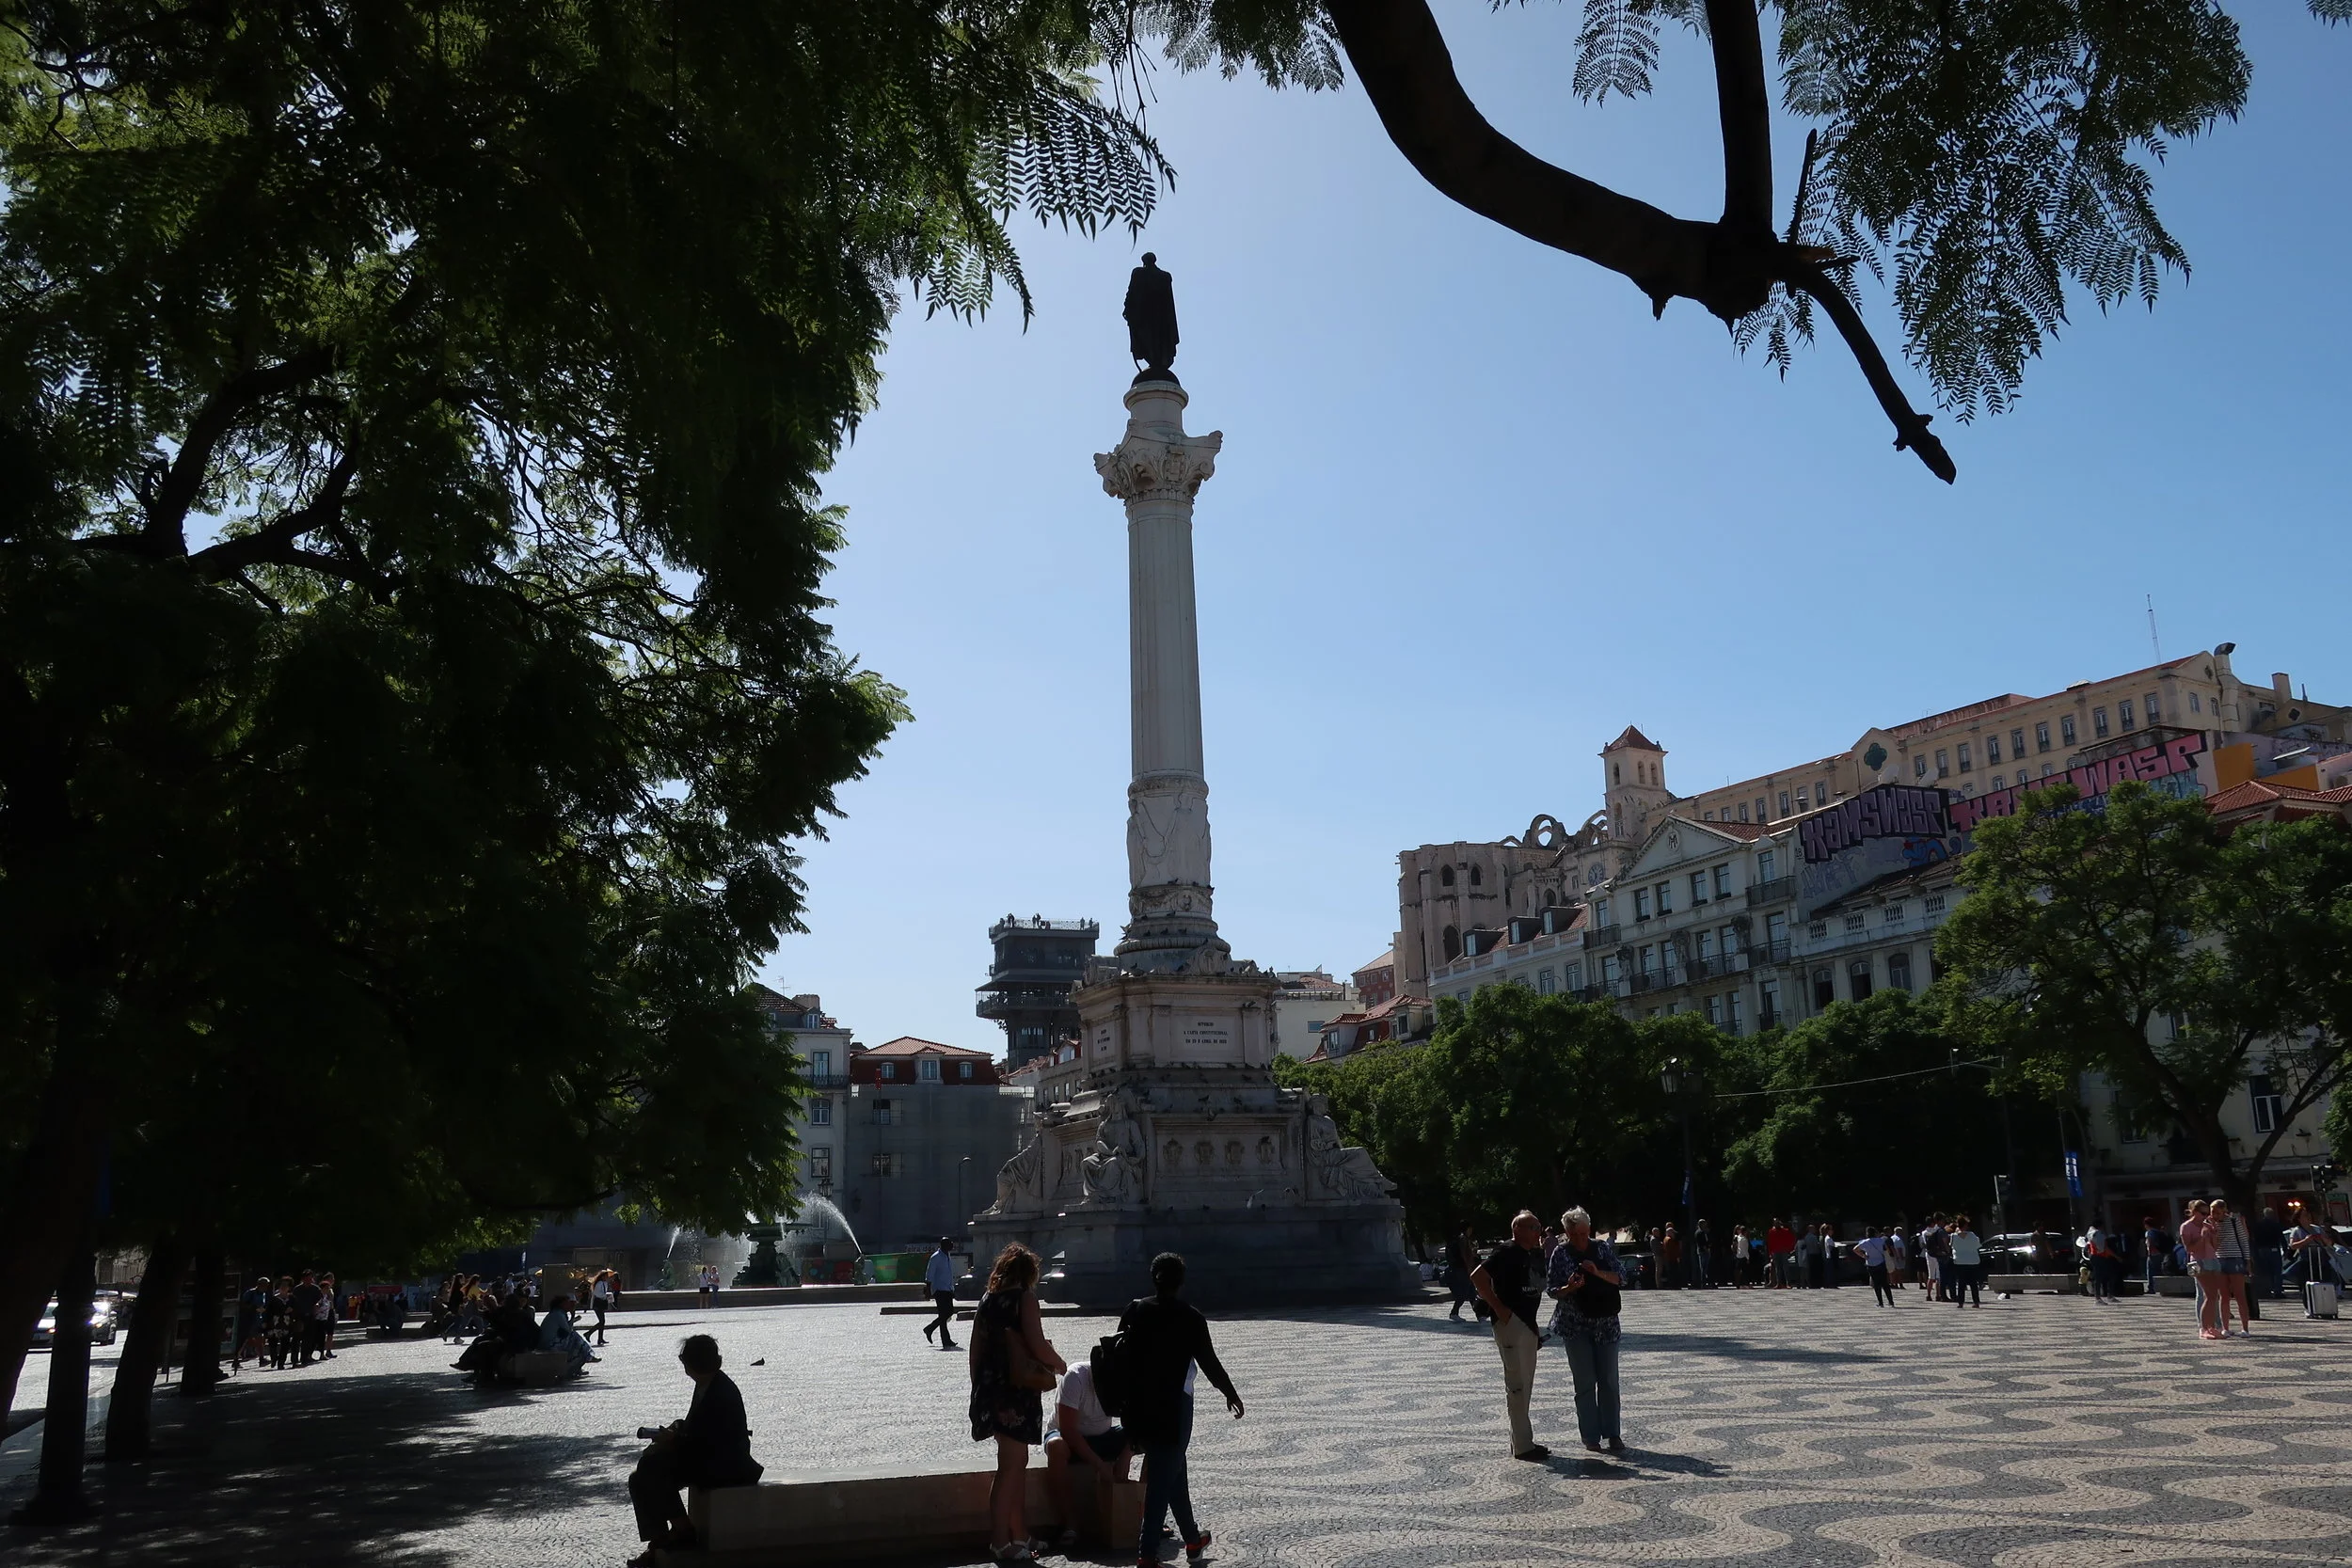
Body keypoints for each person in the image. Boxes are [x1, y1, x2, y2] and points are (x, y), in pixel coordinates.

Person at [1117, 1253, 1242, 1568]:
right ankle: (1146, 1555)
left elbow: (1119, 1355)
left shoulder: (1136, 1310)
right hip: (1174, 1406)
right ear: (1181, 1281)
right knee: (1161, 1478)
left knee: (1173, 1471)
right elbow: (1208, 1362)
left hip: (1141, 1405)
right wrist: (1230, 1392)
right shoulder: (1190, 1317)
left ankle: (1192, 1538)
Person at [626, 1334, 763, 1566]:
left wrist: (674, 1440)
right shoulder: (708, 1383)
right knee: (640, 1477)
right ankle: (660, 1539)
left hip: (726, 1464)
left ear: (690, 1364)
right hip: (710, 1457)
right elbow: (698, 1429)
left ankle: (683, 1531)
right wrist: (676, 1431)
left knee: (651, 1467)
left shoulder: (720, 1392)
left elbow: (709, 1440)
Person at [969, 1243, 1064, 1564]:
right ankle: (1000, 1542)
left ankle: (1020, 1533)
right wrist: (1061, 1364)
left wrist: (979, 1389)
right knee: (1010, 1467)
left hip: (991, 1388)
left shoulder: (987, 1300)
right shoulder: (1024, 1299)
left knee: (1016, 1462)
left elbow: (975, 1350)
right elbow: (1036, 1344)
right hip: (1016, 1391)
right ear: (1028, 1274)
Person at [1471, 1211, 1550, 1462]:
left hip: (1528, 1323)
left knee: (1525, 1382)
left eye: (1539, 1226)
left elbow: (1536, 1290)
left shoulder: (1534, 1253)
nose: (1539, 1231)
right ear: (1518, 1230)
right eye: (1533, 1227)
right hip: (1510, 1322)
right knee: (1517, 1384)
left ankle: (1522, 1440)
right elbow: (1478, 1277)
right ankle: (1523, 1446)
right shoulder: (1505, 1251)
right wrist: (1499, 1308)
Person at [1547, 1207, 1626, 1455]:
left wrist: (1597, 1272)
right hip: (1575, 1326)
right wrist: (1569, 1287)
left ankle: (1613, 1433)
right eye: (1575, 1234)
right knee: (1584, 1383)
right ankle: (1590, 1437)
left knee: (1609, 1382)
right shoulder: (1559, 1253)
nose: (1581, 1239)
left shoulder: (1601, 1249)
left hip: (1606, 1324)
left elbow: (1620, 1277)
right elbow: (1552, 1291)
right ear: (1567, 1232)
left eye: (1584, 1233)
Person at [1041, 1356, 1133, 1551]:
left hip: (1103, 1435)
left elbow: (1138, 1424)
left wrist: (1125, 1456)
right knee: (1056, 1447)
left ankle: (1141, 1515)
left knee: (1153, 1439)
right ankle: (1070, 1523)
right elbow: (1068, 1431)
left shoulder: (1123, 1380)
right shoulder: (1076, 1377)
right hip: (1068, 1436)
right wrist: (1099, 1465)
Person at [2180, 1199, 2222, 1338]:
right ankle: (2203, 1327)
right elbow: (2190, 1248)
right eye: (2203, 1213)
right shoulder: (2186, 1227)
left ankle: (2212, 1326)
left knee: (2214, 1296)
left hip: (2211, 1260)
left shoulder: (2207, 1225)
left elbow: (2215, 1247)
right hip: (2196, 1262)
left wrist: (2214, 1233)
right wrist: (2202, 1238)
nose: (2205, 1216)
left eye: (2207, 1213)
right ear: (2194, 1212)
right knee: (2205, 1295)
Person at [2211, 1199, 2254, 1335]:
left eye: (2217, 1212)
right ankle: (2225, 1328)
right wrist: (2212, 1228)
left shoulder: (2234, 1222)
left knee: (2239, 1294)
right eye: (2212, 1212)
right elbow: (2211, 1243)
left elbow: (2243, 1240)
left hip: (2235, 1258)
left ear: (2224, 1211)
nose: (2214, 1215)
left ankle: (2245, 1328)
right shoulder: (2210, 1225)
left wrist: (2247, 1260)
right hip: (2219, 1259)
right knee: (2223, 1295)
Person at [538, 1293, 600, 1373]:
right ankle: (587, 1355)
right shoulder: (558, 1314)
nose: (570, 1305)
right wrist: (573, 1317)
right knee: (574, 1337)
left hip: (549, 1342)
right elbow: (568, 1330)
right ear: (561, 1304)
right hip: (549, 1344)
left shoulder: (558, 1313)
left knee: (575, 1345)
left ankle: (582, 1361)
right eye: (567, 1303)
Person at [923, 1237, 961, 1351]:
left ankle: (940, 1336)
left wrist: (952, 1288)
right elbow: (929, 1273)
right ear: (944, 1245)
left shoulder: (947, 1255)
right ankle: (934, 1331)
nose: (952, 1244)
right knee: (947, 1312)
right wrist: (928, 1289)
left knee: (945, 1314)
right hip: (939, 1290)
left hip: (947, 1289)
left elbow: (948, 1273)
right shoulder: (936, 1257)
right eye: (950, 1243)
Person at [1444, 1222, 1482, 1321]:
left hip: (1461, 1268)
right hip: (1463, 1268)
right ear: (1467, 1229)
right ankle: (1454, 1312)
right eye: (1470, 1229)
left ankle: (1479, 1315)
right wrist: (1469, 1267)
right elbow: (1464, 1255)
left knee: (1471, 1292)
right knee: (1464, 1291)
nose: (1471, 1231)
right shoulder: (1463, 1239)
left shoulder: (1459, 1238)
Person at [233, 1275, 270, 1370]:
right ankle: (236, 1359)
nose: (266, 1287)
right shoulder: (251, 1293)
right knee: (244, 1340)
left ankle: (261, 1358)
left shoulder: (263, 1294)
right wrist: (254, 1308)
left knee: (259, 1338)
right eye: (265, 1285)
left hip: (257, 1320)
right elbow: (244, 1305)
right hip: (249, 1320)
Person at [1947, 1217, 1984, 1307]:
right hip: (1972, 1261)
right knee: (1973, 1283)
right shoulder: (1972, 1235)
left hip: (1959, 1261)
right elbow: (1978, 1245)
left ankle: (1960, 1302)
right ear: (1966, 1225)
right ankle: (1976, 1301)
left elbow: (1951, 1246)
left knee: (1961, 1283)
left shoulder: (1953, 1236)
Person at [1857, 1228, 1894, 1307]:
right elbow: (1887, 1250)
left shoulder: (1865, 1242)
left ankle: (1880, 1303)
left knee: (1876, 1284)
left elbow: (1855, 1249)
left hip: (1871, 1264)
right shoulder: (1881, 1241)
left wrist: (1864, 1256)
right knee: (1885, 1283)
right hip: (1881, 1263)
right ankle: (1891, 1301)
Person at [1765, 1218, 1795, 1289]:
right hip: (1775, 1252)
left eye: (1778, 1223)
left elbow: (1791, 1239)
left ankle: (1788, 1283)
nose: (1777, 1224)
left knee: (1785, 1267)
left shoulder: (1785, 1231)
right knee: (1777, 1268)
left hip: (1783, 1251)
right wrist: (1770, 1252)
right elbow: (1769, 1243)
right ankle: (1778, 1283)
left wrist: (1789, 1249)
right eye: (1775, 1223)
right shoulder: (1771, 1231)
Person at [588, 1269, 615, 1346]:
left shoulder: (604, 1283)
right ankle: (589, 1333)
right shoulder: (599, 1283)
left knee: (602, 1321)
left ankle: (600, 1338)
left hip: (601, 1303)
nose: (607, 1277)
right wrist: (605, 1296)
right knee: (602, 1321)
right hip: (597, 1304)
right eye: (606, 1276)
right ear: (602, 1276)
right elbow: (597, 1294)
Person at [1659, 1225, 1683, 1290]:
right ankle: (1675, 1285)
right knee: (1674, 1272)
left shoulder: (1665, 1239)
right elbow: (1674, 1249)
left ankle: (1672, 1284)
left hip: (1668, 1258)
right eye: (1672, 1232)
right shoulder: (1670, 1240)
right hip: (1672, 1258)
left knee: (1671, 1272)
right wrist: (1678, 1256)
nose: (1673, 1234)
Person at [1730, 1224, 1755, 1289]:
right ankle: (1745, 1284)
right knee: (1745, 1271)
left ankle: (1739, 1283)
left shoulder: (1738, 1237)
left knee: (1738, 1270)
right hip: (1743, 1256)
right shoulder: (1744, 1239)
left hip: (1738, 1256)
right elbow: (1745, 1250)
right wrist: (1748, 1258)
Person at [1691, 1219, 1713, 1289]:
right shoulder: (1699, 1232)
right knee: (1703, 1268)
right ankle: (1703, 1283)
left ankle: (1705, 1282)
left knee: (1705, 1268)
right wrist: (1706, 1249)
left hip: (1705, 1250)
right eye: (1704, 1223)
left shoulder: (1704, 1232)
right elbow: (1701, 1242)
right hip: (1703, 1251)